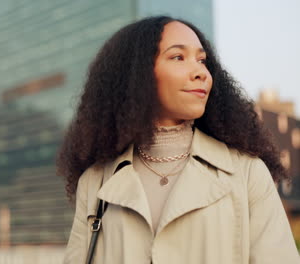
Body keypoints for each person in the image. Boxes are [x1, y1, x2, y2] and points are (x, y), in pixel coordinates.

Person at [56, 16, 300, 264]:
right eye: (178, 57)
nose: (201, 73)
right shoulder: (95, 183)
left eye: (202, 60)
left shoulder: (247, 173)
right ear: (138, 73)